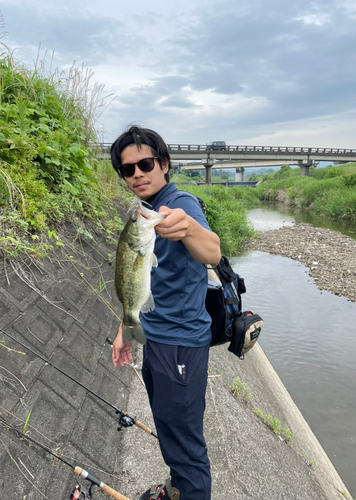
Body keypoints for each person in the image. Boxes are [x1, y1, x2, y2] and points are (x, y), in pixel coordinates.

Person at [110, 126, 221, 500]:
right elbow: (137, 281)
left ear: (164, 164)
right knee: (169, 427)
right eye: (128, 169)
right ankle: (177, 489)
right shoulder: (145, 211)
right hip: (156, 338)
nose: (138, 173)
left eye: (145, 163)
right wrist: (125, 329)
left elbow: (213, 253)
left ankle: (189, 489)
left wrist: (188, 227)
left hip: (180, 345)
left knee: (186, 446)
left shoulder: (180, 203)